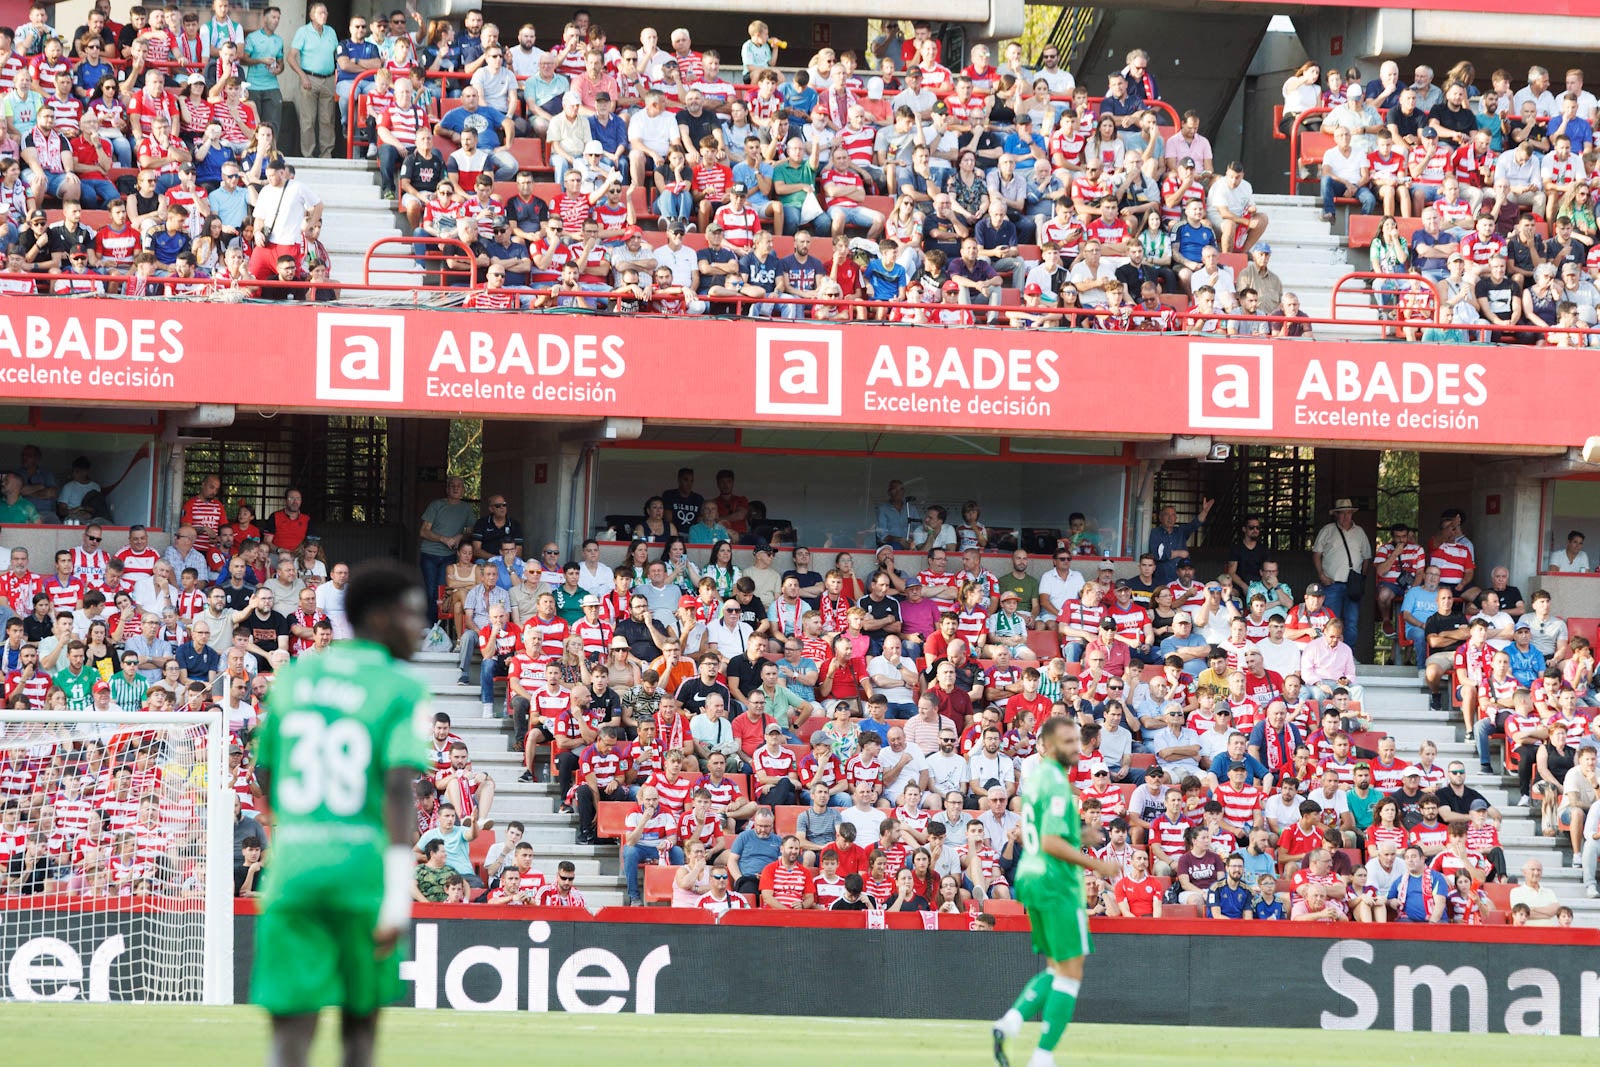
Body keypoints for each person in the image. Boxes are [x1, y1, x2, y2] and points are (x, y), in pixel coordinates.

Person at [249, 561, 430, 1067]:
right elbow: (398, 788)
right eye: (411, 614)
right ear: (378, 618)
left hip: (294, 871)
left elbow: (267, 774)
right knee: (359, 1031)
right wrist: (398, 892)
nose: (418, 626)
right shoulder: (401, 687)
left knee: (289, 1035)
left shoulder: (294, 679)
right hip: (361, 874)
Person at [993, 716, 1119, 1067]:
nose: (1074, 747)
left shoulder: (1036, 782)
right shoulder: (1059, 784)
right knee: (1072, 971)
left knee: (1056, 966)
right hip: (1055, 881)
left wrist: (1082, 836)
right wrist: (1099, 865)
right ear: (1046, 747)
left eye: (1075, 740)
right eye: (1065, 741)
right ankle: (1043, 1056)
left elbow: (1047, 833)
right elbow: (1050, 842)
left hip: (1031, 877)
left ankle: (1010, 1023)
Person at [1311, 498, 1372, 642]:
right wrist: (1321, 575)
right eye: (1342, 513)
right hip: (1331, 583)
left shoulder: (1360, 532)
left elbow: (1366, 558)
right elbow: (1316, 554)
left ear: (1352, 514)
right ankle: (1330, 651)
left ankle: (1349, 653)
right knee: (1331, 621)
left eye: (1348, 513)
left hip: (1352, 584)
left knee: (1351, 623)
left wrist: (1361, 579)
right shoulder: (1328, 530)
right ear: (1336, 515)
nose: (1346, 516)